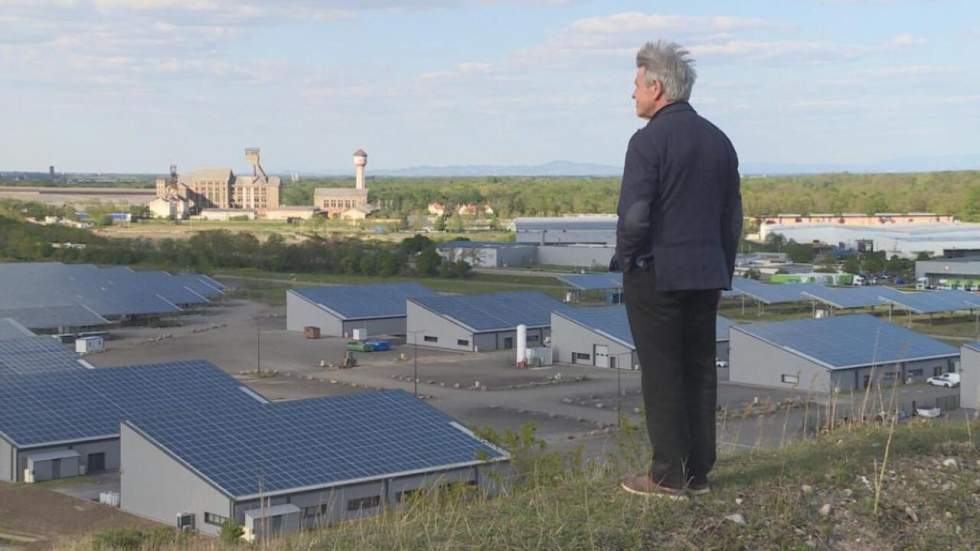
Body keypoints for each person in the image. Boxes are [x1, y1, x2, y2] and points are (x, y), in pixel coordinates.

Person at [614, 40, 742, 499]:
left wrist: (628, 260)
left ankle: (667, 476)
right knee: (699, 370)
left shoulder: (648, 141)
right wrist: (722, 271)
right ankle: (698, 473)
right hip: (706, 274)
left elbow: (635, 216)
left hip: (658, 273)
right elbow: (732, 220)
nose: (632, 94)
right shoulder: (719, 140)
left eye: (635, 85)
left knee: (663, 372)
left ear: (657, 86)